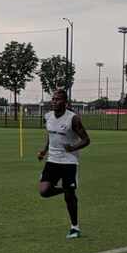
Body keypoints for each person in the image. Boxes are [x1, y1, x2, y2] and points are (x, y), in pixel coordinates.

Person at [38, 89, 91, 238]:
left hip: (69, 162)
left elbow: (86, 140)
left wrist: (73, 148)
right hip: (52, 160)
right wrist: (44, 151)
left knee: (70, 197)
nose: (54, 101)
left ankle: (75, 227)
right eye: (53, 99)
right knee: (44, 191)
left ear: (65, 102)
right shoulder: (47, 116)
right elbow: (51, 136)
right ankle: (65, 189)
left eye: (58, 99)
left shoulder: (73, 119)